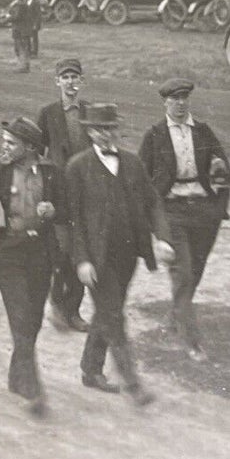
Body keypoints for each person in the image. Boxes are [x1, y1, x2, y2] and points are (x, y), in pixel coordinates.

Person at [64, 103, 175, 407]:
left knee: (107, 311)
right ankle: (133, 383)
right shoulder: (77, 167)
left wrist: (162, 238)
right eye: (99, 129)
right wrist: (81, 260)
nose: (106, 135)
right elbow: (71, 220)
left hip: (128, 255)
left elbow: (153, 203)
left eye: (111, 128)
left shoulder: (132, 163)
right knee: (114, 315)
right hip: (96, 258)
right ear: (89, 131)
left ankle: (90, 369)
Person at [0, 117, 61, 415]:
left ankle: (16, 377)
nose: (4, 147)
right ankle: (32, 387)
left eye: (11, 143)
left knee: (31, 320)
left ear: (30, 147)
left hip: (41, 253)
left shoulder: (51, 173)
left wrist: (54, 210)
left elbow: (68, 211)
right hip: (9, 253)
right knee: (20, 318)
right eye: (4, 141)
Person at [138, 78, 230, 360]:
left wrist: (218, 201)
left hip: (203, 211)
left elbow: (224, 168)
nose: (180, 104)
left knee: (196, 271)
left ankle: (176, 315)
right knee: (184, 272)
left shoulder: (203, 132)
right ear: (164, 102)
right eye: (174, 99)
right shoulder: (154, 135)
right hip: (172, 211)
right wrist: (153, 222)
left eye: (184, 98)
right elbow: (141, 179)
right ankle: (191, 340)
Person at [37, 57, 91, 332]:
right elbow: (38, 152)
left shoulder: (91, 112)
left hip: (86, 193)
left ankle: (74, 310)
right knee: (61, 252)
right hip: (59, 194)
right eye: (65, 77)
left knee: (83, 251)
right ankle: (57, 305)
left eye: (75, 77)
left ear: (82, 81)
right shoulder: (48, 113)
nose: (71, 82)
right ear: (57, 81)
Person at [7, 0, 32, 72]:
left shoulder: (19, 4)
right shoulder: (25, 4)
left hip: (19, 29)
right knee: (25, 47)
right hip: (25, 29)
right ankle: (25, 65)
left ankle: (22, 66)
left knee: (20, 48)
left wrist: (8, 18)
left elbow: (16, 16)